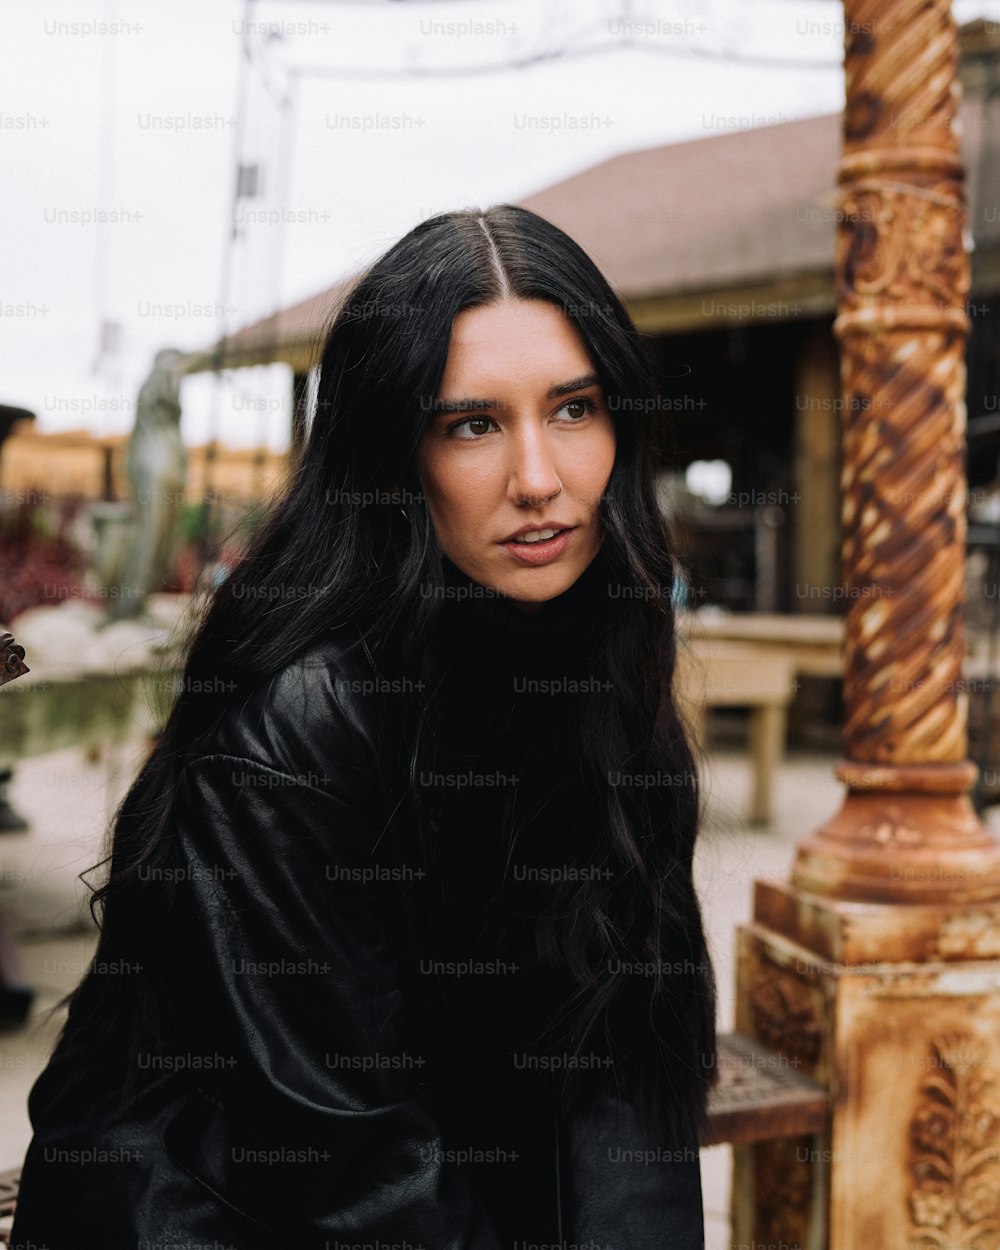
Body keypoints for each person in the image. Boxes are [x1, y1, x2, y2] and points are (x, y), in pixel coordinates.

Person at [10, 205, 717, 1249]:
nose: (538, 477)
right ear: (396, 452)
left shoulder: (605, 653)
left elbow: (634, 1065)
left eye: (574, 408)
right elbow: (353, 1181)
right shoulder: (293, 727)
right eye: (473, 423)